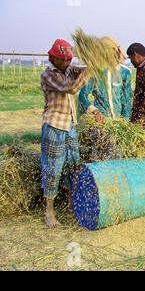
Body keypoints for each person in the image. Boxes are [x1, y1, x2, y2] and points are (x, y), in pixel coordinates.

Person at [40, 39, 89, 228]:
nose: (67, 63)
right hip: (54, 126)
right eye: (63, 60)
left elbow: (82, 69)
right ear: (52, 58)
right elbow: (71, 88)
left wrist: (94, 62)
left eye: (69, 59)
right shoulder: (48, 75)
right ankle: (49, 212)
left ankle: (70, 206)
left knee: (73, 165)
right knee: (53, 168)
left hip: (70, 125)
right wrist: (88, 73)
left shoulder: (69, 68)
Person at [79, 37, 132, 122]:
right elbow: (82, 95)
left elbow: (127, 100)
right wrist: (94, 111)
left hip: (119, 122)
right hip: (101, 121)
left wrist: (125, 121)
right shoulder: (96, 72)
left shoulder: (125, 72)